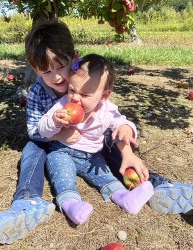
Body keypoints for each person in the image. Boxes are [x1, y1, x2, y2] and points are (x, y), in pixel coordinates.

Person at [0, 21, 193, 244]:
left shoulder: (86, 80)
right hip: (53, 143)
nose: (57, 77)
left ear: (75, 58)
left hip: (89, 145)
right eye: (46, 71)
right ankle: (27, 202)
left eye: (61, 66)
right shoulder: (38, 92)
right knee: (33, 148)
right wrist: (59, 134)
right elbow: (33, 130)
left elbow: (114, 120)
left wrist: (127, 151)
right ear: (35, 69)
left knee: (111, 139)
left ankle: (155, 186)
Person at [38, 54, 155, 224]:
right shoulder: (63, 105)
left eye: (85, 95)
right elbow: (42, 129)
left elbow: (121, 123)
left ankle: (124, 197)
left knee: (107, 177)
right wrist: (54, 121)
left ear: (104, 96)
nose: (76, 98)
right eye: (72, 90)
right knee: (63, 177)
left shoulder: (107, 110)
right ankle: (71, 203)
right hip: (62, 152)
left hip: (92, 157)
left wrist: (126, 129)